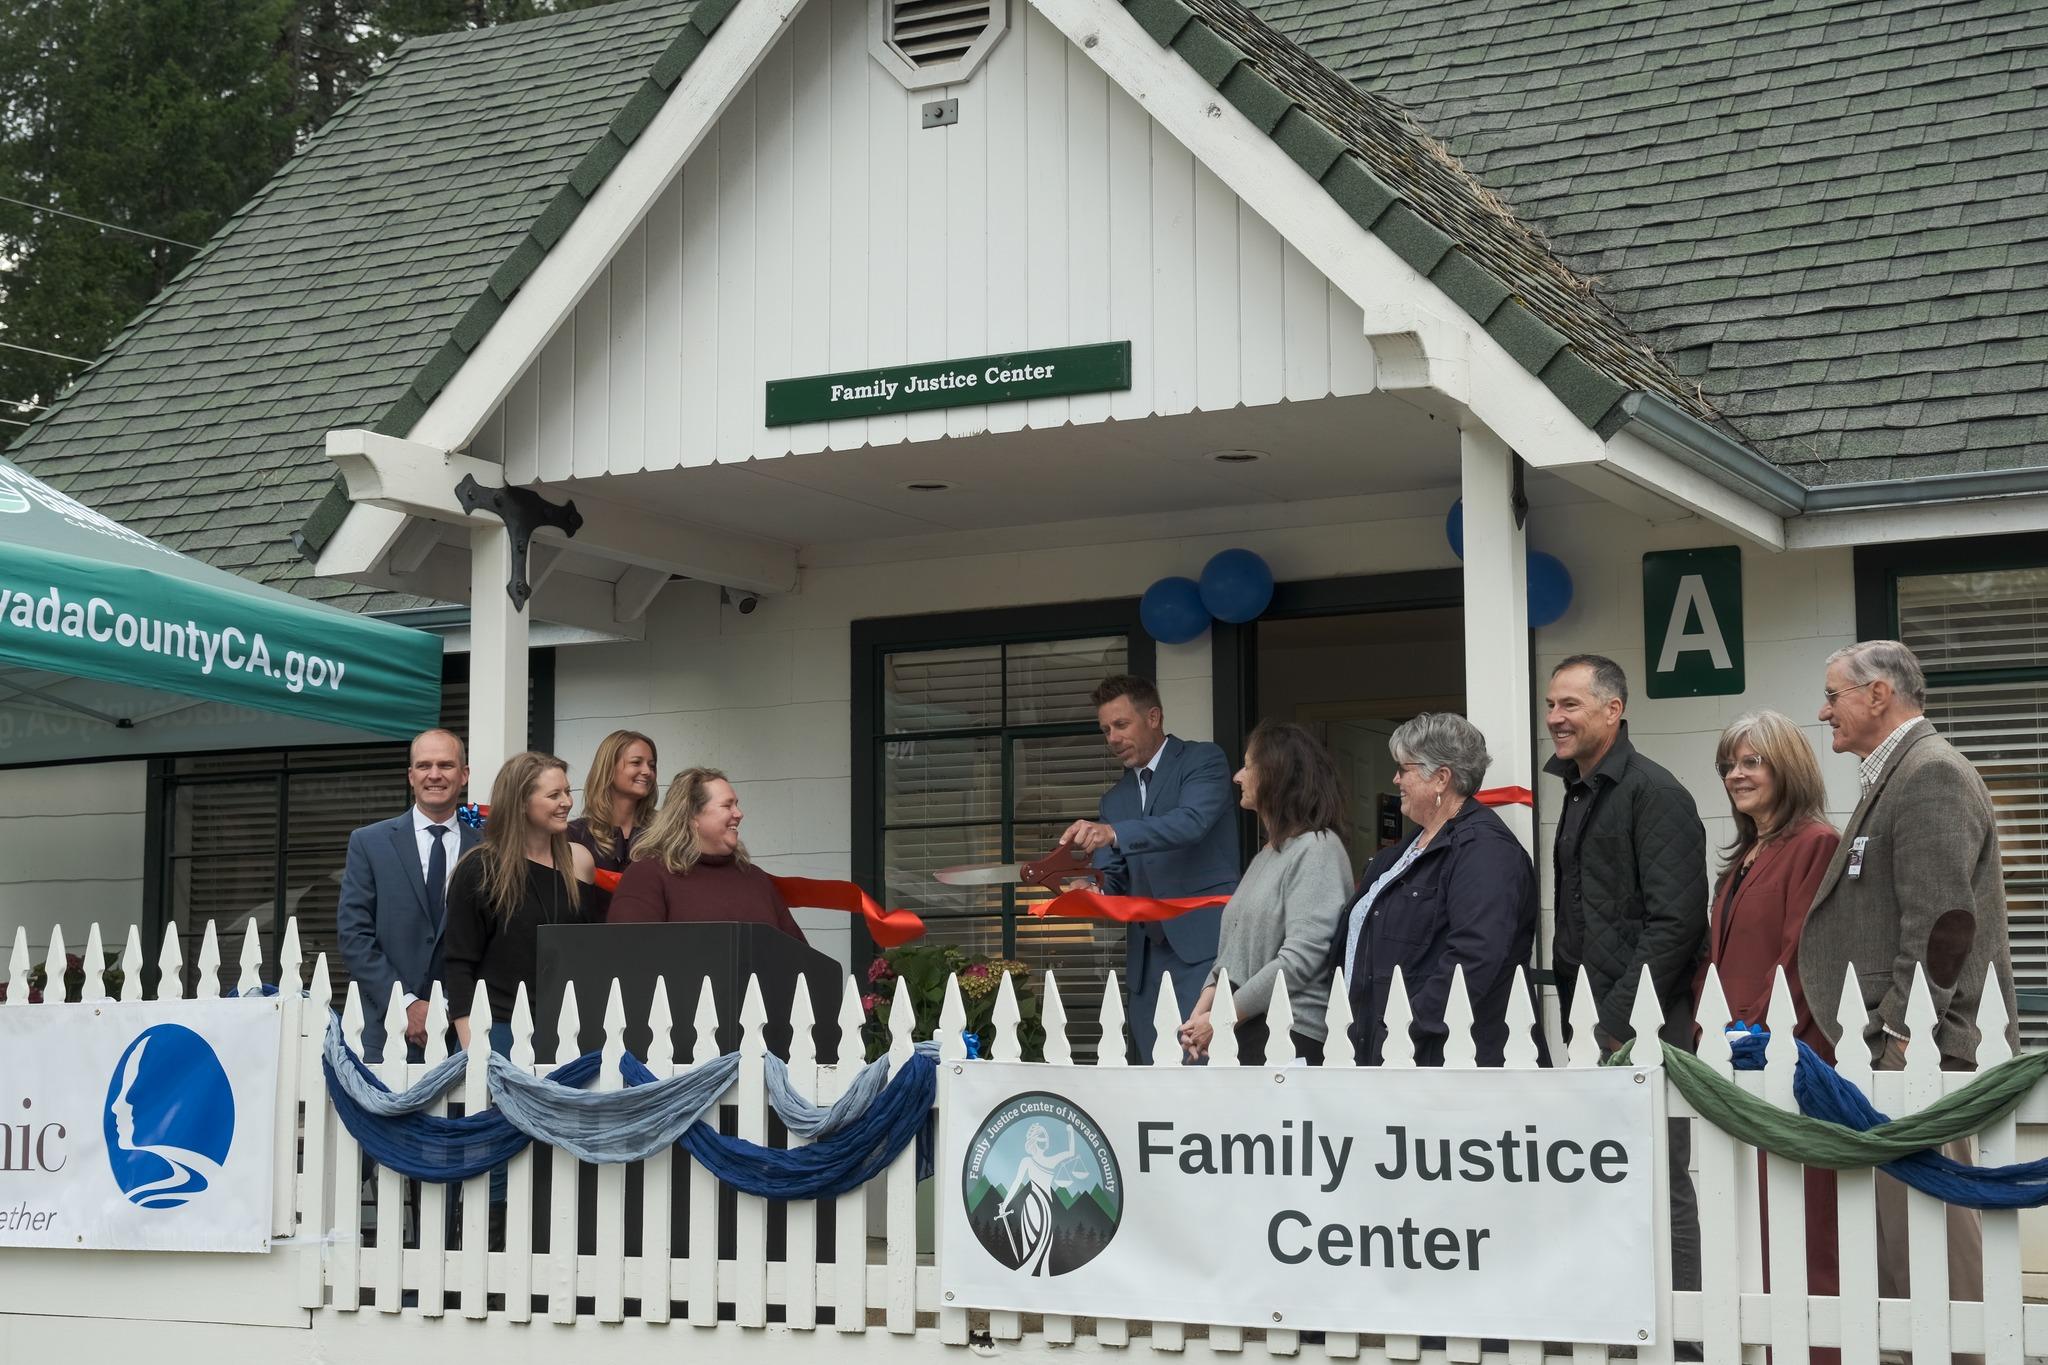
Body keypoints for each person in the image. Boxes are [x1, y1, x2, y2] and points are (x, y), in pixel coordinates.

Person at [1802, 639, 2018, 1307]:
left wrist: (1896, 1037)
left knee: (1933, 1247)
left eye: (1834, 694)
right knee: (1900, 1253)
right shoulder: (1898, 774)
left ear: (1878, 695)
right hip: (1893, 1057)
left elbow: (1941, 926)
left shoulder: (1929, 773)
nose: (1823, 709)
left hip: (1919, 1058)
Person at [1544, 654, 1704, 1292]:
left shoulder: (1654, 792)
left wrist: (1614, 1024)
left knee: (1661, 1178)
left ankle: (1688, 1339)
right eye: (1551, 705)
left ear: (1614, 710)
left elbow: (1677, 922)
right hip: (1594, 1030)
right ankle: (1621, 1316)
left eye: (1570, 705)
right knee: (1604, 1175)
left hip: (1643, 1031)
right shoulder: (1580, 790)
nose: (1555, 718)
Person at [1692, 710, 1840, 1353]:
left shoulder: (1814, 843)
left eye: (1752, 761)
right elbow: (1713, 959)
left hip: (1785, 1060)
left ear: (1789, 768)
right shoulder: (1742, 857)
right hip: (1732, 1060)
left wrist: (1750, 1038)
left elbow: (1802, 956)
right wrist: (1710, 1026)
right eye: (1730, 763)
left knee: (1806, 1229)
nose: (1736, 774)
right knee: (1750, 1223)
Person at [1332, 712, 1538, 1066]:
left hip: (1440, 1062)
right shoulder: (1399, 853)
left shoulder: (1486, 851)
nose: (1395, 778)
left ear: (1441, 778)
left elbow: (1475, 955)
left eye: (1404, 769)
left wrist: (1407, 1030)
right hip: (1383, 1055)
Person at [1058, 675, 1237, 1062]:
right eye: (1106, 729)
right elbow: (1114, 878)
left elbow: (1190, 822)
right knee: (1152, 1073)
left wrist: (1112, 832)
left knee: (1206, 1067)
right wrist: (1090, 891)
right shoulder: (1114, 799)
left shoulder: (1202, 759)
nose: (1112, 738)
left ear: (1153, 717)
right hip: (1146, 960)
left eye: (1121, 725)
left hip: (1204, 947)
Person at [1177, 721, 1351, 1065]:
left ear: (1276, 773)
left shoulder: (1318, 849)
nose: (1237, 776)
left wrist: (1224, 1016)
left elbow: (1301, 960)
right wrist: (1202, 1013)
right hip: (1244, 1031)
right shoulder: (1267, 854)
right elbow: (1232, 954)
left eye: (1247, 765)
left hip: (1289, 1035)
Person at [336, 729, 478, 1060]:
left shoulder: (488, 848)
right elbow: (354, 935)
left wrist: (447, 1007)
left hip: (464, 1035)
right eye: (424, 765)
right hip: (383, 1032)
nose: (434, 775)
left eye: (446, 765)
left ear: (464, 774)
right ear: (411, 775)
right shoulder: (369, 843)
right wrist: (407, 1004)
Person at [443, 751, 599, 1047]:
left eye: (566, 791)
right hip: (498, 1030)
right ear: (521, 803)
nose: (566, 802)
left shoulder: (579, 862)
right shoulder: (480, 868)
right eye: (554, 795)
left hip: (569, 1028)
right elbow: (459, 964)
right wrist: (471, 1048)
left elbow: (587, 952)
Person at [608, 767, 806, 939]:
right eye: (727, 805)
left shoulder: (756, 879)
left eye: (736, 804)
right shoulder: (648, 875)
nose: (739, 813)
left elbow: (799, 955)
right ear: (692, 816)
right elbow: (628, 951)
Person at [568, 729, 657, 877]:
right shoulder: (575, 835)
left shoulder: (666, 832)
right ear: (608, 768)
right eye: (636, 762)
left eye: (652, 765)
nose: (647, 771)